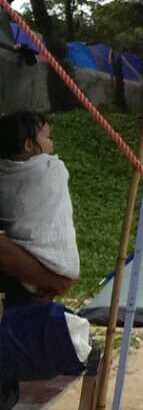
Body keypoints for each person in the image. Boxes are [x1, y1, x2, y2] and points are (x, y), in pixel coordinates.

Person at [0, 112, 79, 305]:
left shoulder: (48, 169)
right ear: (29, 145)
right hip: (48, 265)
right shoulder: (50, 167)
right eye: (47, 137)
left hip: (40, 264)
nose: (52, 144)